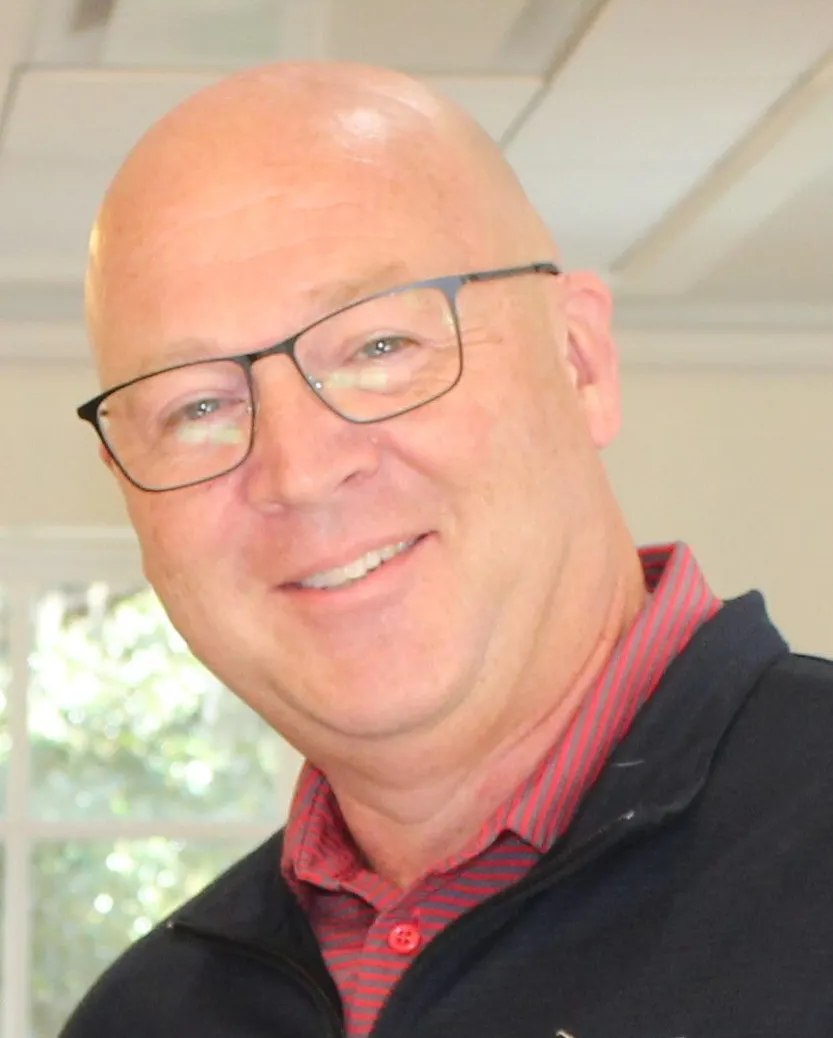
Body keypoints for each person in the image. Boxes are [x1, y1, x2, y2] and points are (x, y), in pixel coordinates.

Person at [64, 61, 833, 1038]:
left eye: (379, 348)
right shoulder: (147, 1017)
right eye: (199, 406)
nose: (298, 470)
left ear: (579, 360)